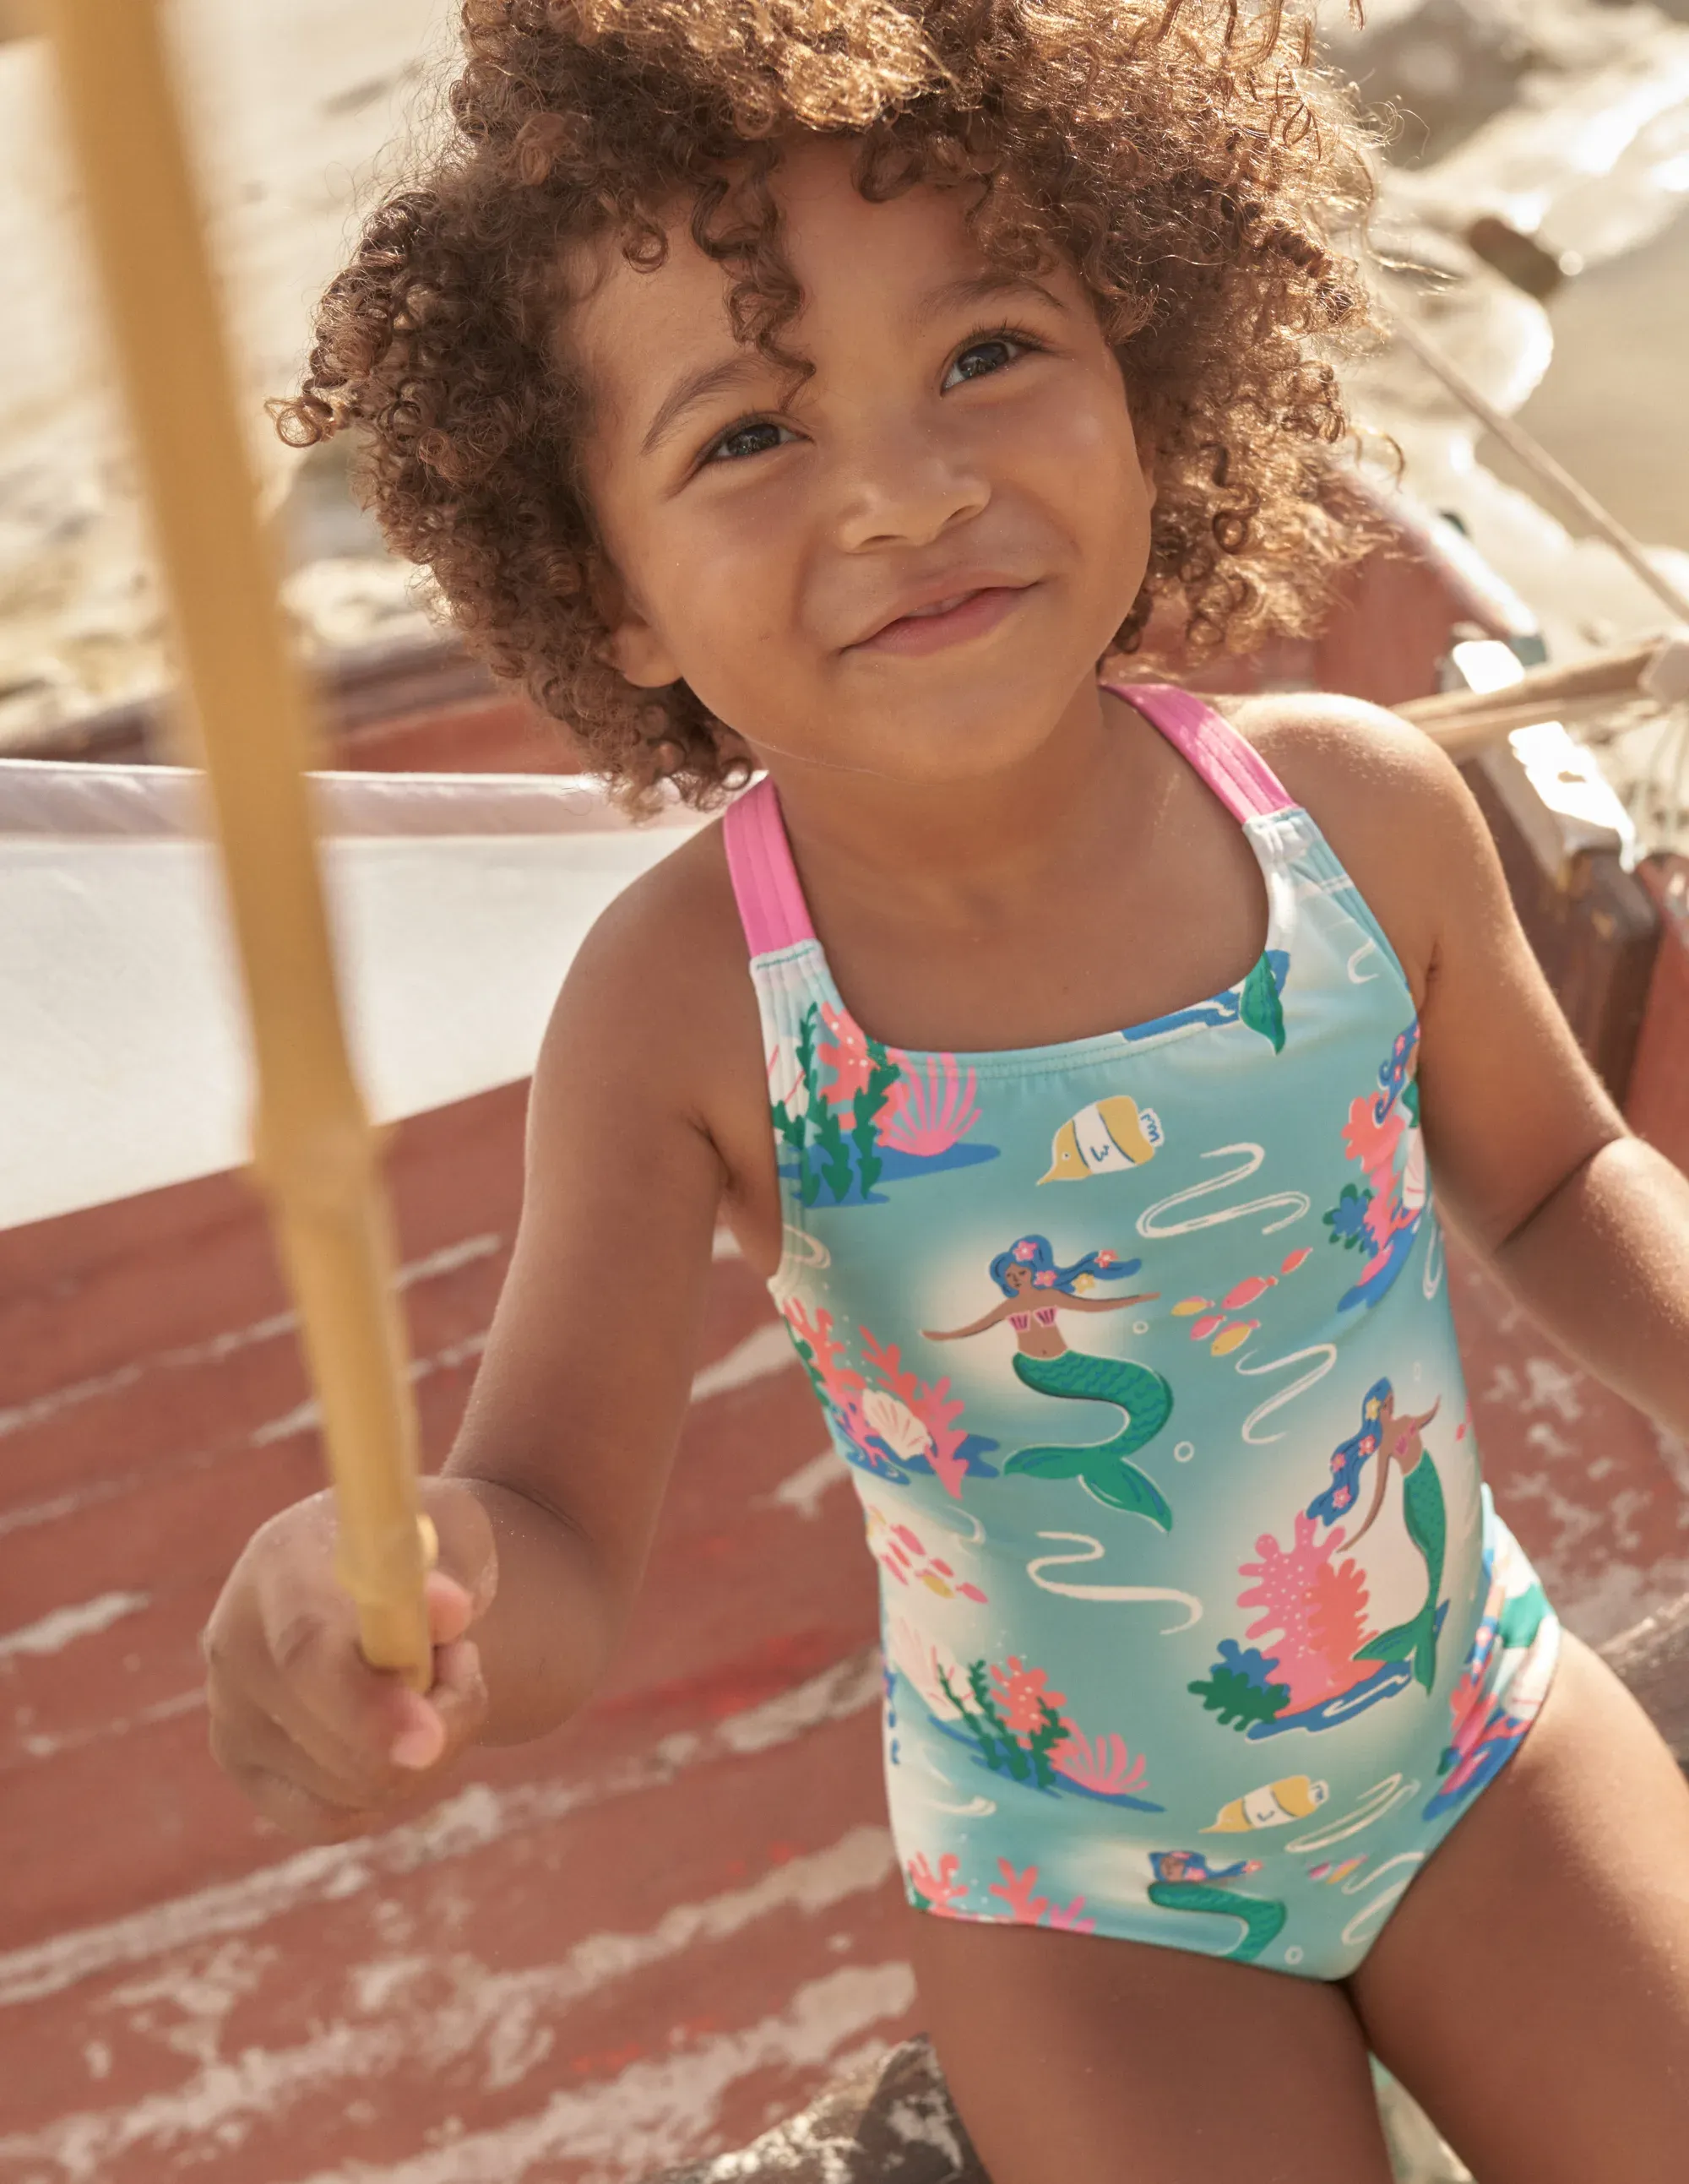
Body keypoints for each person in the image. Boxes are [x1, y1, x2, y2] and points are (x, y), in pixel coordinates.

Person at [202, 4, 1689, 2178]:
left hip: (1475, 1739)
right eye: (744, 439)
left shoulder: (1350, 813)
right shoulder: (688, 1004)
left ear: (1146, 369)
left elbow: (1556, 1181)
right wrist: (407, 1591)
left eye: (987, 350)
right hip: (1082, 1904)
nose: (907, 489)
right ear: (606, 587)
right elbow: (551, 1538)